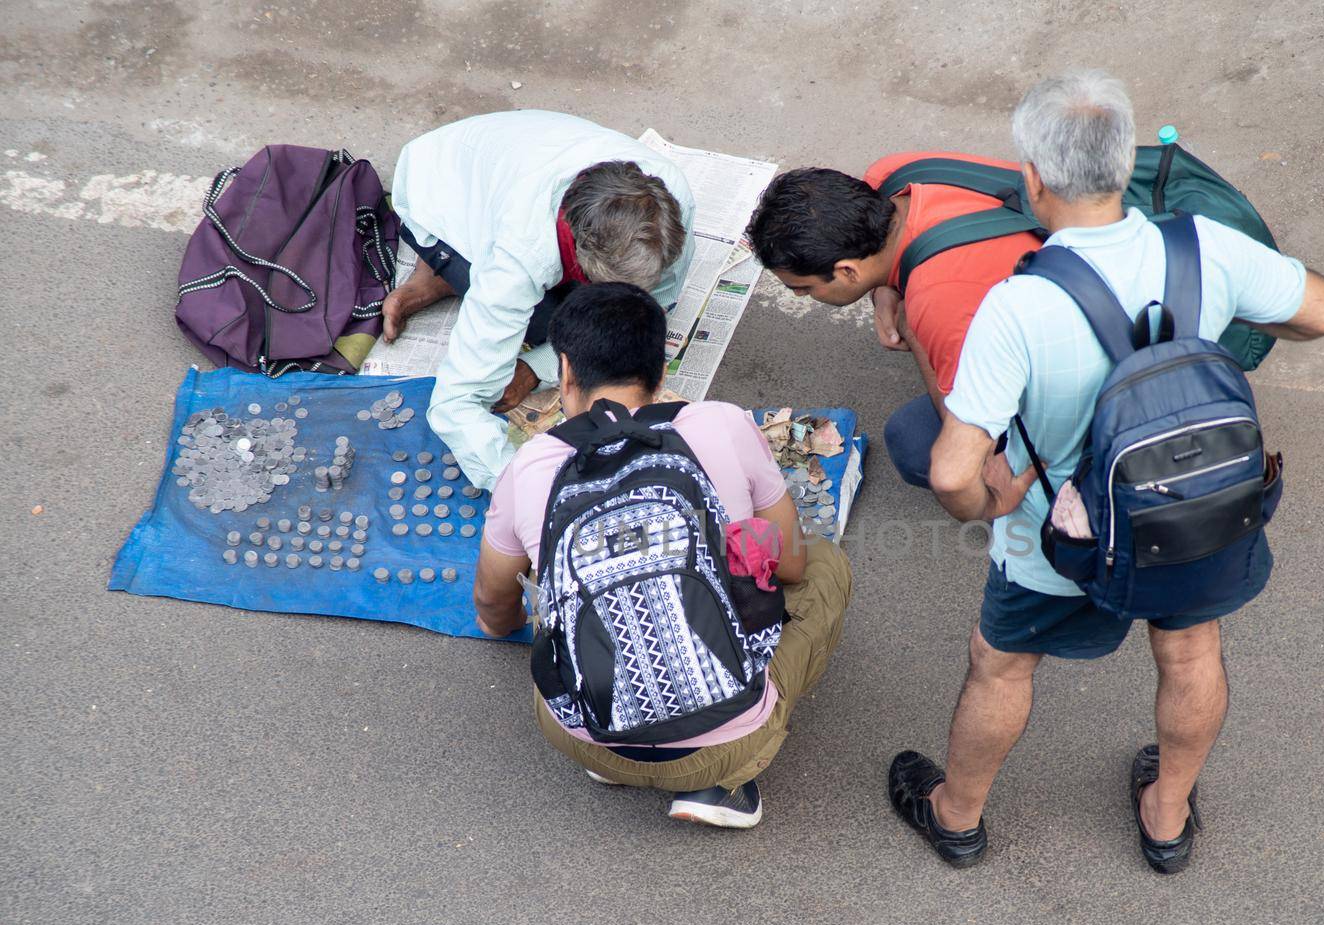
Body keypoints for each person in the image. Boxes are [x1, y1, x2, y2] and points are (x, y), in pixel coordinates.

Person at [888, 70, 1324, 871]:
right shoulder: (1201, 245)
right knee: (1191, 653)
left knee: (1001, 666)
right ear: (1123, 160)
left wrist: (985, 504)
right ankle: (1166, 818)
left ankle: (956, 816)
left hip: (1065, 539)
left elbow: (950, 470)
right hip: (1192, 514)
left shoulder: (1018, 306)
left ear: (1033, 178)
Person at [472, 283, 853, 829]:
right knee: (823, 565)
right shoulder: (722, 422)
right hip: (725, 742)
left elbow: (491, 605)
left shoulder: (531, 465)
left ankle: (614, 748)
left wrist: (513, 621)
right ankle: (719, 786)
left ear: (566, 374)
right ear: (663, 369)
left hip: (582, 734)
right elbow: (788, 566)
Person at [385, 110, 696, 490]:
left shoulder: (673, 202)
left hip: (508, 162)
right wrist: (534, 495)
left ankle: (453, 278)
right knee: (554, 323)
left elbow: (651, 312)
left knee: (604, 332)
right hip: (435, 186)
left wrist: (534, 368)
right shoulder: (520, 254)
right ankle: (440, 268)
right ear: (582, 258)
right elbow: (455, 406)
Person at [745, 154, 1041, 489]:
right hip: (1070, 252)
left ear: (847, 272)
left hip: (1090, 363)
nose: (800, 297)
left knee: (915, 445)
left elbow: (966, 435)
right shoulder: (891, 178)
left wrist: (913, 329)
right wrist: (884, 288)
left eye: (805, 288)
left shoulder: (937, 299)